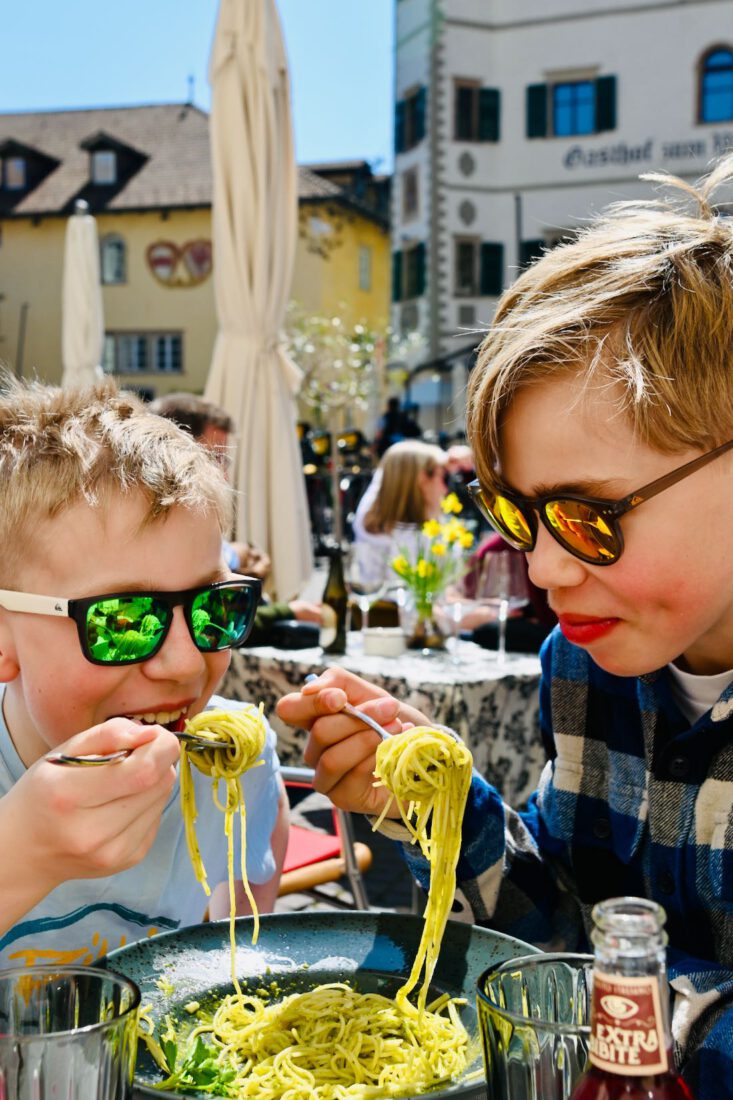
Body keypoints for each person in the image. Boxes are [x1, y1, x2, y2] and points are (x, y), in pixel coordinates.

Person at [277, 156, 733, 1096]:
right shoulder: (585, 663)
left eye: (589, 515)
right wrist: (440, 805)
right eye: (518, 514)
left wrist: (637, 1000)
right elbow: (553, 932)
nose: (543, 569)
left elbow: (572, 990)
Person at [0, 378, 288, 968]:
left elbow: (238, 967)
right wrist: (19, 858)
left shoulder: (236, 768)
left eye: (217, 607)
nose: (186, 663)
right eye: (123, 620)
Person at [149, 392, 322, 641]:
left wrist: (237, 561)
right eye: (213, 458)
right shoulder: (158, 529)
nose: (223, 475)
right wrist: (286, 611)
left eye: (223, 460)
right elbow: (208, 627)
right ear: (171, 450)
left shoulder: (181, 519)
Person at [351, 439, 449, 586]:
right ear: (422, 479)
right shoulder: (416, 539)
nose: (445, 489)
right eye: (442, 477)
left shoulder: (371, 529)